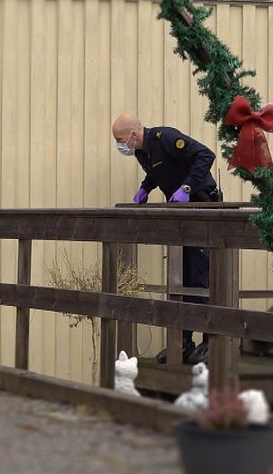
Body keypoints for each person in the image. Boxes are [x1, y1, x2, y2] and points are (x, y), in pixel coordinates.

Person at [112, 114, 221, 364]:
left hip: (201, 205)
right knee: (181, 277)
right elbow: (158, 172)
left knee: (201, 275)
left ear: (133, 133)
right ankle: (183, 341)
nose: (120, 145)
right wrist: (146, 188)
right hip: (180, 215)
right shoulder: (143, 152)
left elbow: (206, 155)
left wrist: (187, 188)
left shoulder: (166, 138)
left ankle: (210, 341)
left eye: (120, 139)